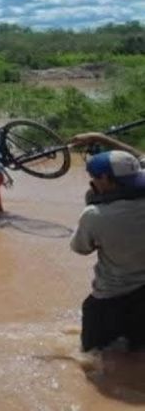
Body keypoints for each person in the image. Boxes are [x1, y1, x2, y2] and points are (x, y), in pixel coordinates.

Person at [69, 150, 145, 352]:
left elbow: (80, 248)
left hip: (110, 298)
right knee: (136, 352)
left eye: (93, 178)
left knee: (94, 359)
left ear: (104, 179)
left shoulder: (95, 215)